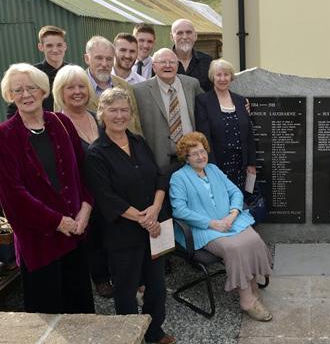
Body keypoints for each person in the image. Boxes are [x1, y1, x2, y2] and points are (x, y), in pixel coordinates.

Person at [0, 63, 94, 314]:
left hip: (75, 234)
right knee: (49, 314)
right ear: (10, 96)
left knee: (81, 309)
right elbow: (13, 196)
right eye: (17, 90)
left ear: (43, 91)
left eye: (31, 88)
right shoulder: (5, 136)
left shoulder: (61, 122)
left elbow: (83, 172)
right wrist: (57, 222)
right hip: (40, 243)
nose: (26, 94)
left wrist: (86, 208)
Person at [85, 88, 175, 344]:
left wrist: (156, 208)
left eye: (124, 109)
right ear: (102, 113)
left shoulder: (138, 141)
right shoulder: (96, 153)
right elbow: (107, 198)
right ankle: (129, 336)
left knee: (156, 287)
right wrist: (144, 220)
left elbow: (159, 176)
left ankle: (154, 331)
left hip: (154, 228)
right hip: (123, 235)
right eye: (113, 110)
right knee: (125, 290)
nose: (119, 115)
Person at [170, 131, 273, 321]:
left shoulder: (214, 169)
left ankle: (252, 286)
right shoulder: (179, 178)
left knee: (253, 239)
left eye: (202, 152)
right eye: (194, 154)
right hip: (203, 229)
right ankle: (247, 300)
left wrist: (233, 214)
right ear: (186, 157)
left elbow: (235, 192)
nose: (200, 157)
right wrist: (213, 223)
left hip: (229, 220)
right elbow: (179, 211)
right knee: (235, 248)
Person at [51, 65, 113, 298]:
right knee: (91, 237)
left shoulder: (95, 116)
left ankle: (113, 272)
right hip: (78, 194)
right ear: (60, 92)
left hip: (105, 189)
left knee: (109, 232)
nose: (77, 91)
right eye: (70, 87)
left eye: (81, 86)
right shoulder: (56, 122)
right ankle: (99, 278)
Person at [133, 48, 203, 169]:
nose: (168, 65)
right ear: (154, 67)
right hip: (159, 161)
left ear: (177, 65)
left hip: (191, 157)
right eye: (162, 62)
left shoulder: (192, 84)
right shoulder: (139, 91)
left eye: (172, 62)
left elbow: (208, 105)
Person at [195, 59, 256, 190]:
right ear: (212, 77)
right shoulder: (203, 101)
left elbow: (249, 134)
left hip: (241, 165)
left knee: (239, 200)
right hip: (217, 165)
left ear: (231, 77)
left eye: (226, 74)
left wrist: (251, 163)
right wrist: (210, 167)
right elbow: (204, 137)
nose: (223, 78)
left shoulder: (241, 101)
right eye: (218, 75)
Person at [84, 35, 142, 135]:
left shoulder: (125, 86)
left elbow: (135, 125)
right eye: (99, 58)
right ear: (87, 59)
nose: (104, 63)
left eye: (109, 59)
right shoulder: (76, 88)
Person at [7, 25, 68, 117]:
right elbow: (12, 111)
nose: (55, 50)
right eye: (49, 46)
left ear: (65, 46)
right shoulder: (30, 74)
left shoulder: (74, 72)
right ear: (41, 47)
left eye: (59, 45)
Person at [171, 19, 213, 92]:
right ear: (172, 37)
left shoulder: (207, 62)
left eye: (189, 32)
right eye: (179, 33)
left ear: (195, 36)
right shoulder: (162, 62)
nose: (184, 37)